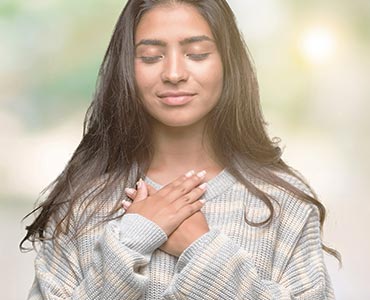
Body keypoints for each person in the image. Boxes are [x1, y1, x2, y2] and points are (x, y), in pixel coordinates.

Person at [21, 0, 339, 299]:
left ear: (228, 63)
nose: (174, 74)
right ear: (126, 68)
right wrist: (131, 240)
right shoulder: (83, 203)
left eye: (197, 54)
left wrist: (203, 250)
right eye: (150, 56)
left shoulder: (284, 203)